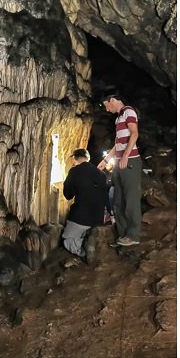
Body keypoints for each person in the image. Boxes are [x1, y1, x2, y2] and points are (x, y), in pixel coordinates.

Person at [97, 93, 142, 247]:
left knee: (131, 200)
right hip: (120, 162)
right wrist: (105, 160)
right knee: (118, 201)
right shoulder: (118, 118)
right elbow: (118, 144)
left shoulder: (128, 111)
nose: (107, 109)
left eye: (106, 105)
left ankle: (133, 235)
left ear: (113, 100)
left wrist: (125, 157)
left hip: (130, 162)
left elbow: (134, 134)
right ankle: (123, 235)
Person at [62, 148, 107, 266]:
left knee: (68, 240)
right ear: (88, 159)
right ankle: (90, 238)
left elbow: (68, 195)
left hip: (81, 217)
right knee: (87, 230)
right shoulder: (101, 174)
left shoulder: (74, 171)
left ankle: (83, 252)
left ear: (74, 158)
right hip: (98, 218)